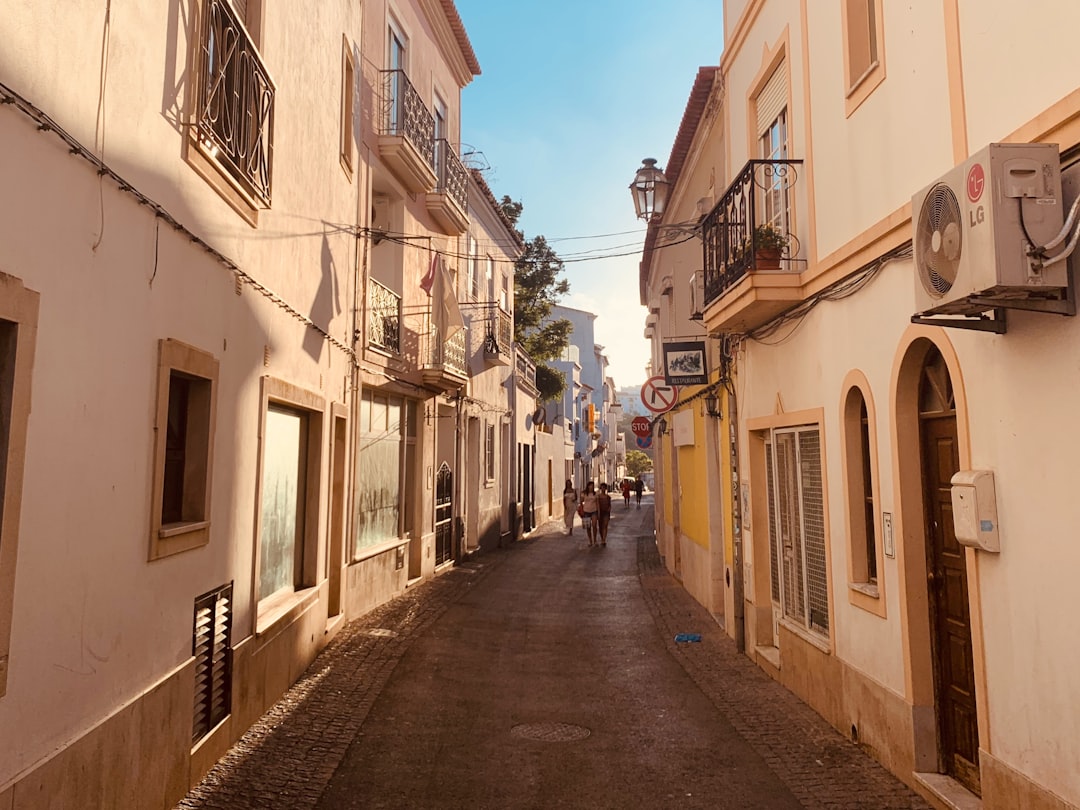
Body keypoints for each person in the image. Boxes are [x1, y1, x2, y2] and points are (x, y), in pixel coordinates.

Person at [580, 481, 599, 546]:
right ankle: (590, 540)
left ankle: (595, 540)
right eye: (590, 486)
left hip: (594, 510)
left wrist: (598, 512)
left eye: (592, 486)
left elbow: (597, 503)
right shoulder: (584, 493)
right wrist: (581, 509)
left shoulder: (595, 494)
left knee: (594, 525)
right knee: (588, 527)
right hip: (586, 511)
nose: (591, 487)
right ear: (588, 486)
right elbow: (581, 501)